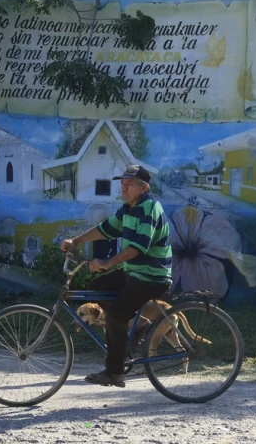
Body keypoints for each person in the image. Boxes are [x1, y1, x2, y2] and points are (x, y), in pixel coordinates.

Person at [60, 164, 172, 386]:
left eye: (129, 185)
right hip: (135, 272)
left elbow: (137, 248)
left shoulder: (150, 208)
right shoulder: (128, 208)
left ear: (143, 187)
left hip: (151, 277)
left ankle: (115, 372)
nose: (124, 189)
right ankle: (137, 326)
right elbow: (106, 229)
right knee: (98, 285)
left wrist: (107, 262)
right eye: (122, 185)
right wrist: (76, 240)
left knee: (115, 315)